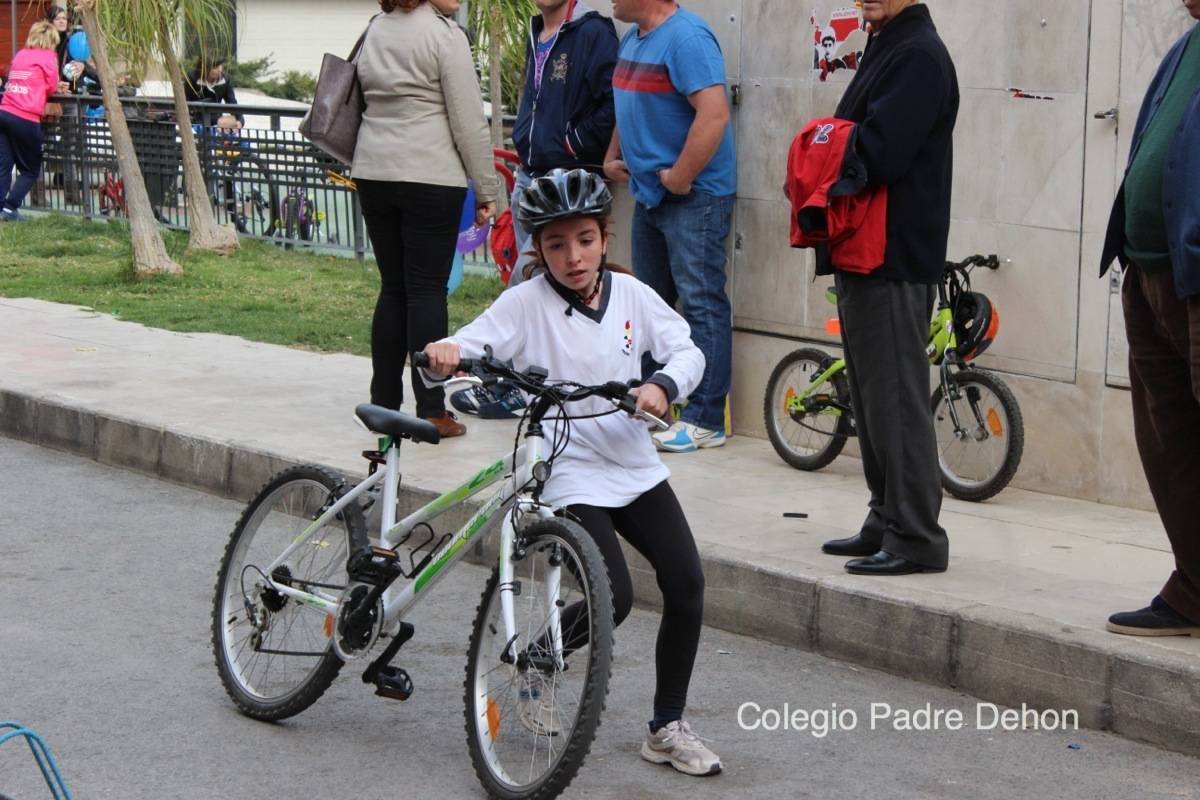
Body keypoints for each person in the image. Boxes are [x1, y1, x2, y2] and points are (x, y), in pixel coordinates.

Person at [423, 168, 722, 777]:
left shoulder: (633, 296)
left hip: (633, 461)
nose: (573, 256)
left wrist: (664, 384)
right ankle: (536, 660)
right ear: (538, 249)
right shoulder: (524, 303)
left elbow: (689, 348)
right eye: (556, 244)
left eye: (584, 239)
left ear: (605, 238)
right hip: (567, 465)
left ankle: (666, 726)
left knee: (687, 582)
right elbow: (469, 345)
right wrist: (444, 353)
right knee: (613, 594)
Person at [816, 0, 958, 576]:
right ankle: (886, 517)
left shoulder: (918, 54)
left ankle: (917, 535)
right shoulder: (890, 43)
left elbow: (880, 152)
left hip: (893, 253)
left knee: (896, 400)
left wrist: (819, 146)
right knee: (873, 399)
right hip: (866, 251)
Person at [353, 0, 500, 438]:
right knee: (426, 291)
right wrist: (487, 189)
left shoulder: (376, 28)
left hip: (374, 172)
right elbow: (469, 123)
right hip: (430, 175)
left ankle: (383, 403)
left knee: (393, 288)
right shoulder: (445, 36)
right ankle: (432, 408)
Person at [1100, 0, 1200, 637]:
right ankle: (1194, 588)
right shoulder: (1186, 45)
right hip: (1149, 272)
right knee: (1171, 444)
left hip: (1192, 279)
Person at [604, 0, 735, 454]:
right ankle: (655, 407)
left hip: (694, 196)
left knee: (701, 303)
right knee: (649, 308)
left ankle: (705, 419)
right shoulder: (633, 39)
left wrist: (681, 175)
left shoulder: (687, 38)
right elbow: (628, 100)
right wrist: (612, 155)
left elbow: (714, 113)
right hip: (650, 194)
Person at [508, 0, 618, 288]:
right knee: (536, 289)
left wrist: (571, 144)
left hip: (568, 182)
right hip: (528, 175)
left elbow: (613, 102)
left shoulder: (593, 31)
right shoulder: (536, 31)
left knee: (526, 279)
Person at [0, 21, 62, 222]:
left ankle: (1, 207)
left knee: (4, 165)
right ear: (52, 40)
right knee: (31, 169)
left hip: (4, 112)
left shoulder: (21, 54)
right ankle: (10, 209)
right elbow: (52, 86)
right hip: (25, 116)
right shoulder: (48, 57)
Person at [185, 56, 242, 130]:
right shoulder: (193, 77)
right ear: (205, 68)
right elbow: (186, 100)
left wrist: (239, 120)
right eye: (215, 67)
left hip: (216, 121)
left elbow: (232, 102)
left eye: (220, 66)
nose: (220, 69)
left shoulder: (225, 79)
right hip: (195, 121)